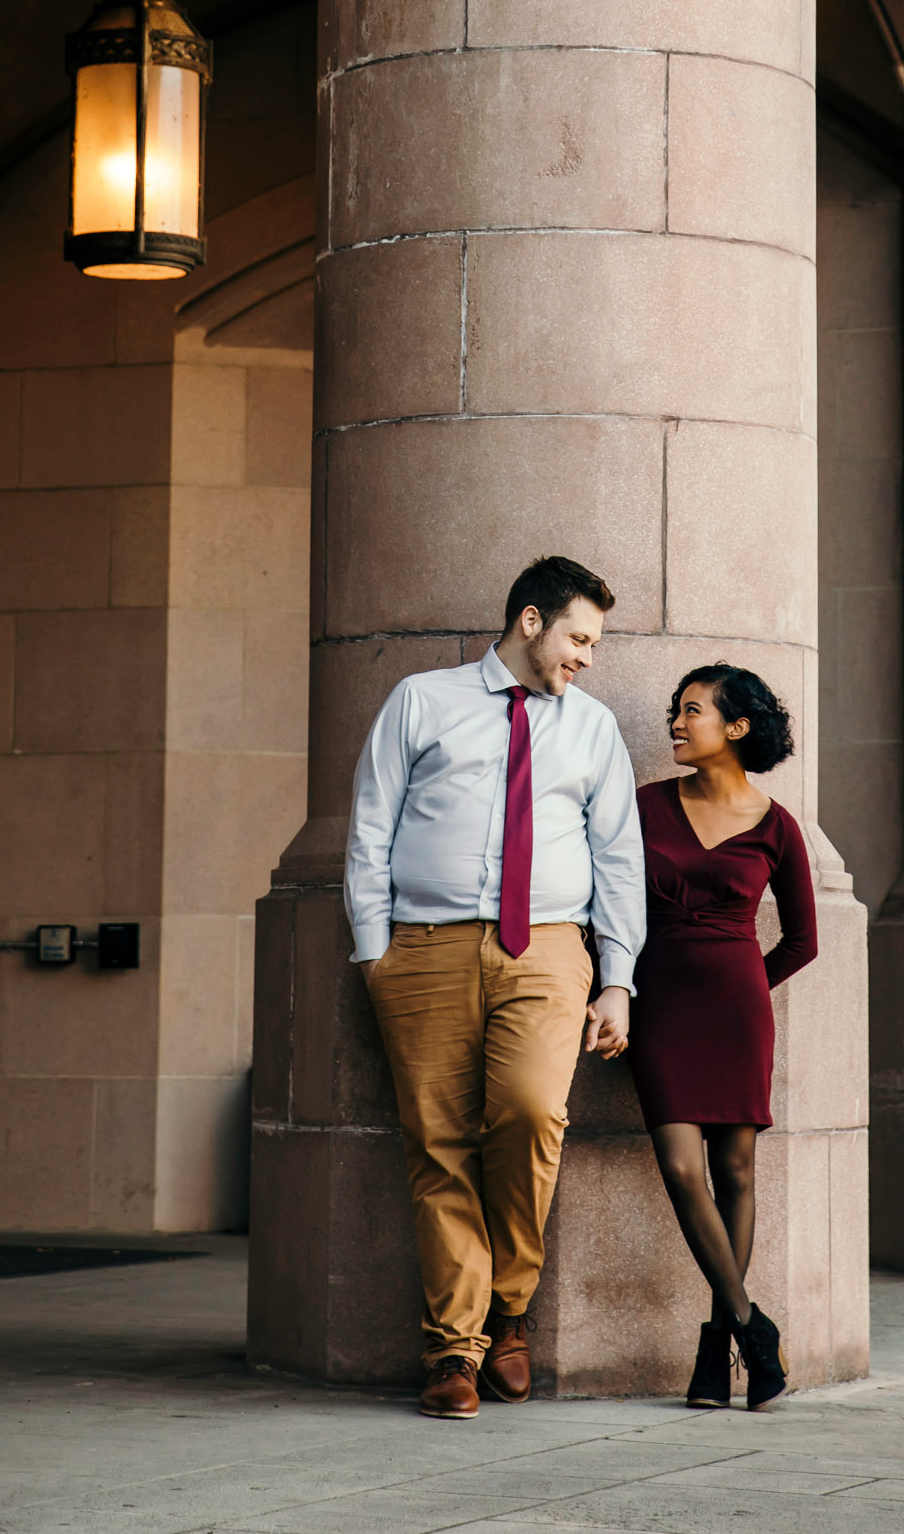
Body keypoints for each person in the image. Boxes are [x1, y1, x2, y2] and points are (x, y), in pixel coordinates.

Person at [345, 555, 644, 1419]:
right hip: (423, 950)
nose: (586, 656)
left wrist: (617, 979)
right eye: (578, 637)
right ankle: (455, 1349)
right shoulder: (421, 700)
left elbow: (617, 857)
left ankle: (511, 1306)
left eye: (593, 642)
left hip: (548, 947)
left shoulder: (590, 728)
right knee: (435, 1141)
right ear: (529, 622)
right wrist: (376, 954)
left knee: (529, 1113)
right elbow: (371, 827)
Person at [624, 664, 818, 1411]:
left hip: (736, 1010)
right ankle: (749, 1326)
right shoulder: (641, 806)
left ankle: (715, 1356)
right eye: (676, 709)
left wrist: (741, 992)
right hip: (658, 1007)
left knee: (735, 1172)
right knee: (681, 1167)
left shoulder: (776, 826)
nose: (675, 722)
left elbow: (802, 942)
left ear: (736, 728)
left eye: (692, 711)